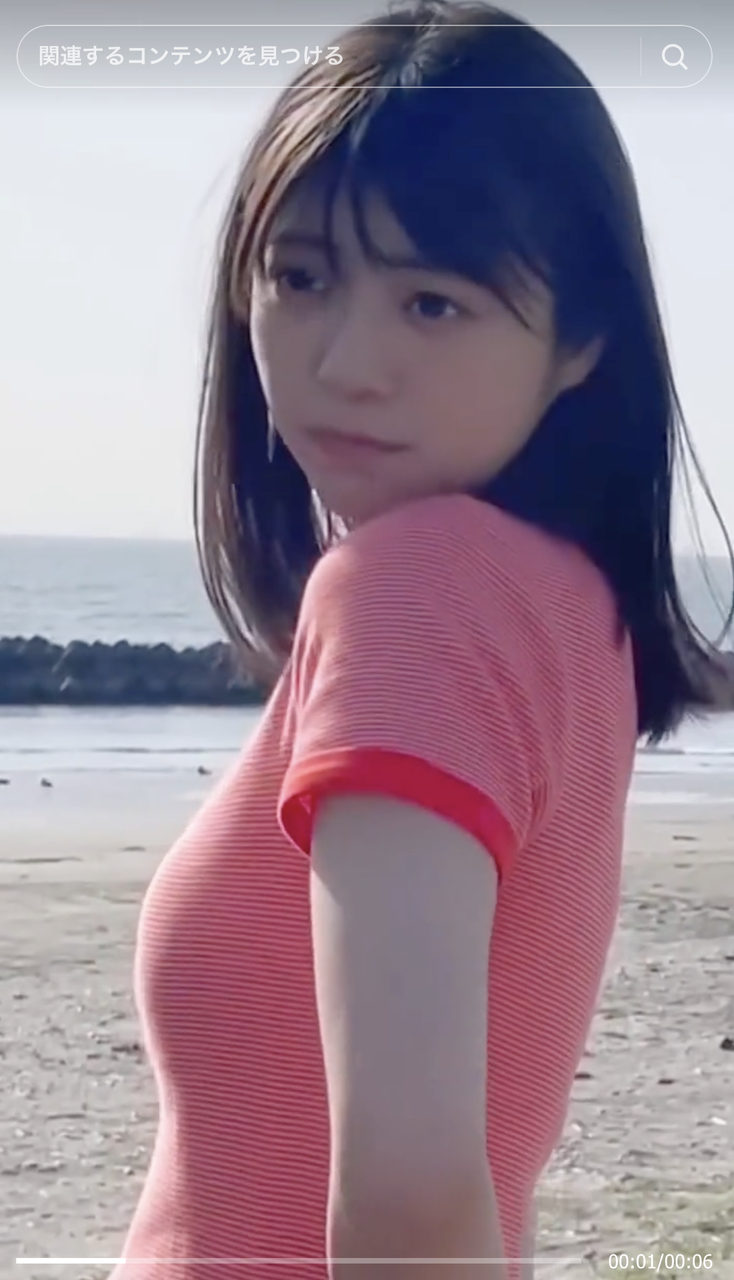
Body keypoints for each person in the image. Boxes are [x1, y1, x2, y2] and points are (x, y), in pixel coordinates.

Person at [114, 2, 734, 1278]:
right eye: (300, 278)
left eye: (433, 303)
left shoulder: (419, 588)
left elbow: (411, 1190)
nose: (347, 361)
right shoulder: (562, 605)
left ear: (581, 339)